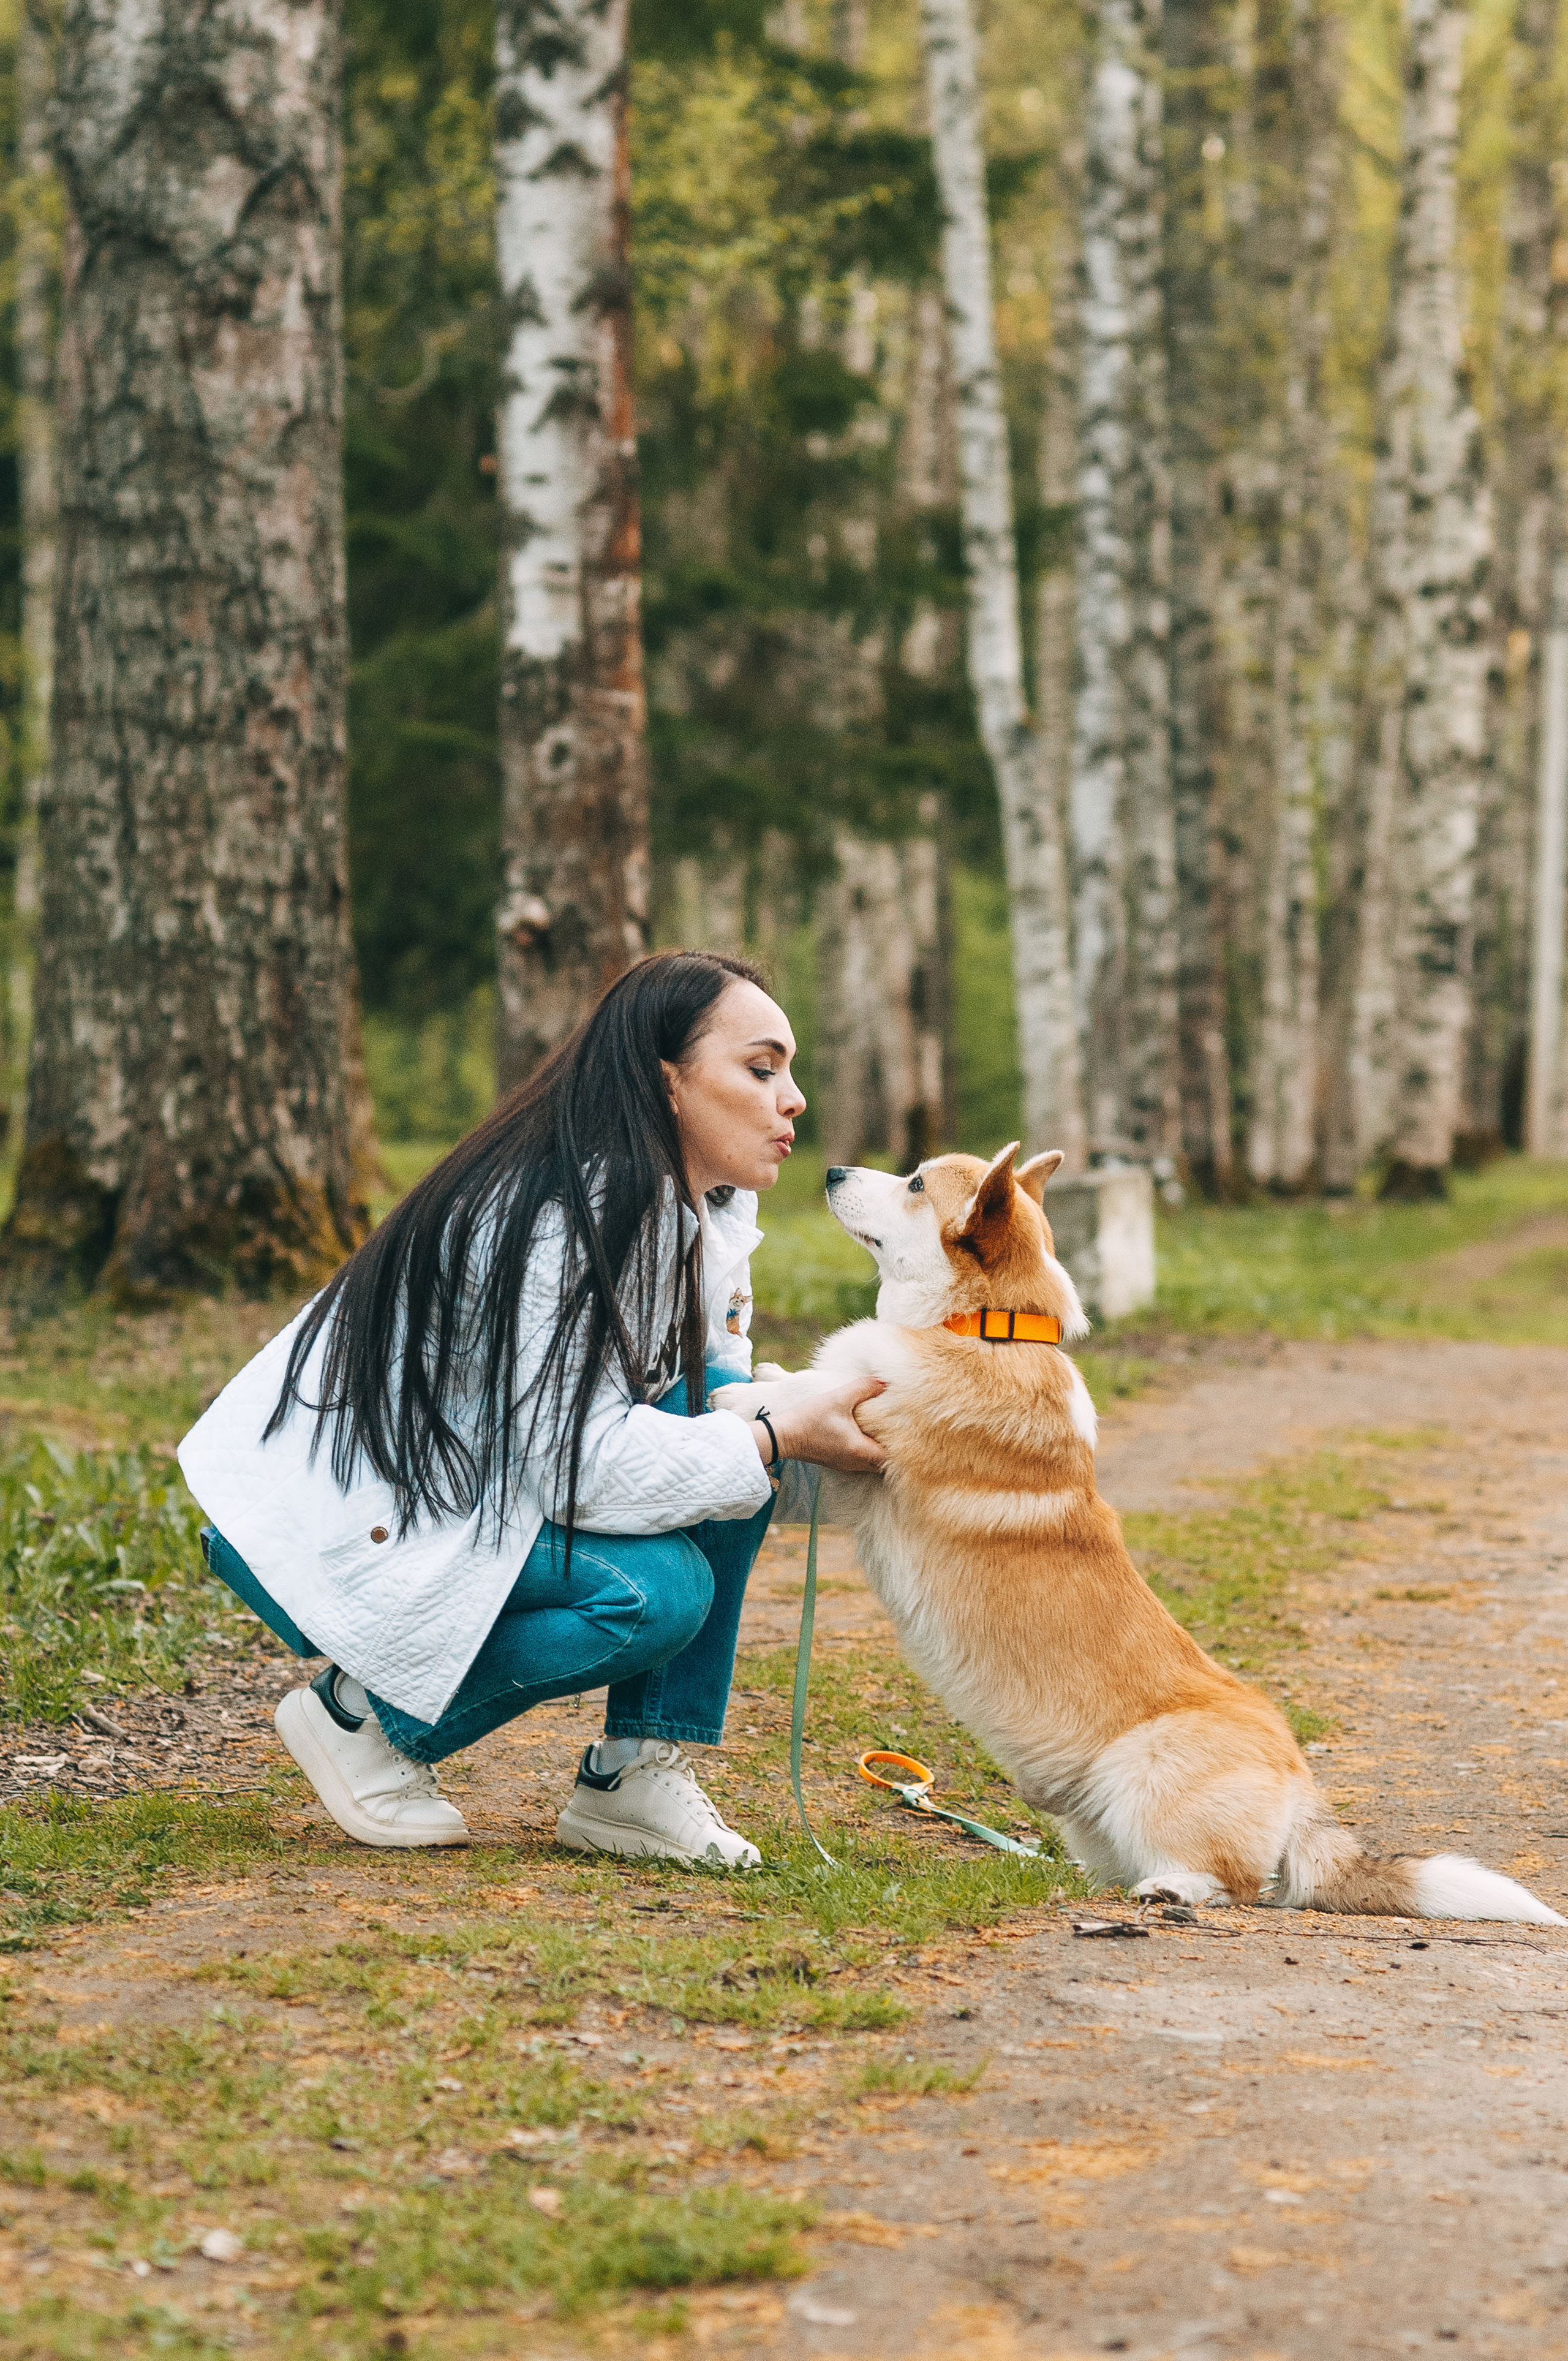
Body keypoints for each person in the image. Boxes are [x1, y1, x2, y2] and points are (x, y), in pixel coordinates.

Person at [178, 952, 885, 1870]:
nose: (794, 1099)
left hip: (480, 1488)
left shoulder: (706, 1212)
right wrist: (775, 1433)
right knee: (656, 1592)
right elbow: (576, 1469)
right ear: (666, 1082)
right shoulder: (567, 1215)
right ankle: (363, 1719)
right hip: (342, 1519)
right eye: (761, 1069)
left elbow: (712, 1410)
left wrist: (824, 1431)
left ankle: (632, 1772)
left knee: (730, 1420)